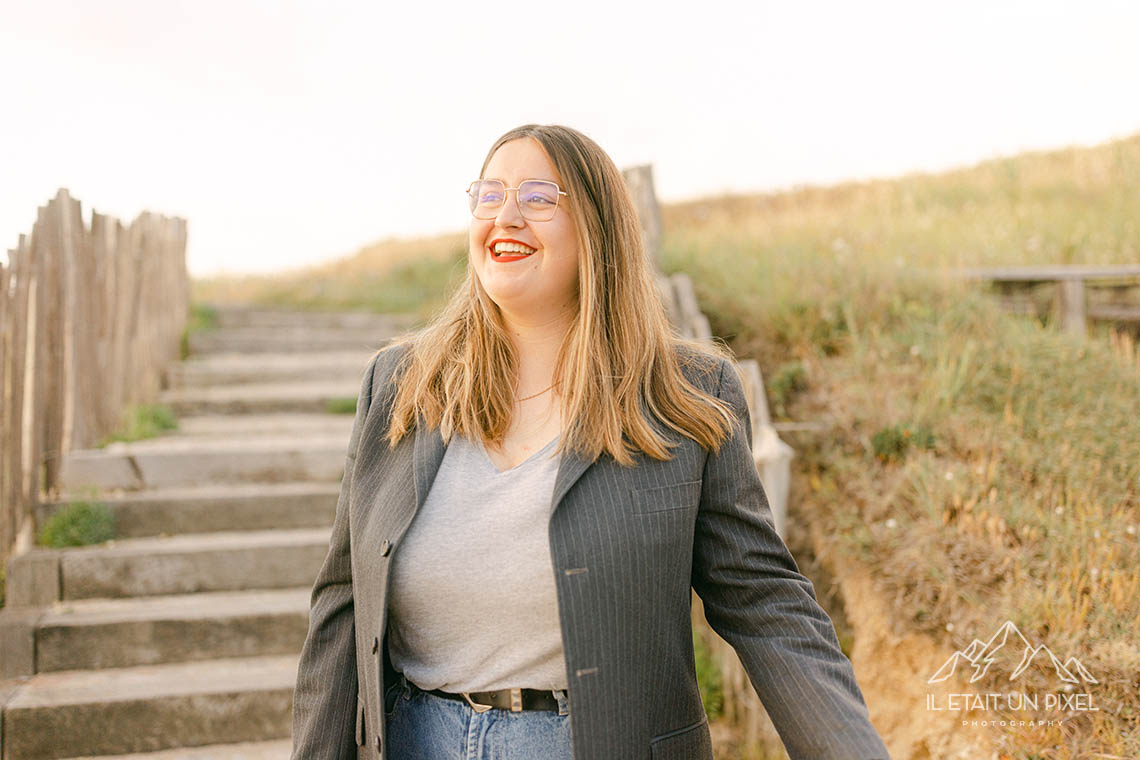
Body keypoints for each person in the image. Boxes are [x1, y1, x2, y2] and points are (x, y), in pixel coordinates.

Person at [289, 123, 891, 760]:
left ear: (597, 228)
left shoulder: (685, 395)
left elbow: (765, 604)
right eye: (489, 195)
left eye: (539, 198)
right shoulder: (400, 386)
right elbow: (343, 603)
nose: (507, 216)